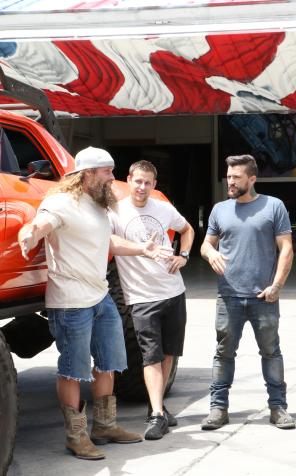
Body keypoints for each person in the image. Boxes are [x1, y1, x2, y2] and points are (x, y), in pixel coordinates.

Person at [17, 147, 164, 460]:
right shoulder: (60, 201)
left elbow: (106, 242)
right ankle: (76, 436)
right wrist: (29, 233)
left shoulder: (99, 204)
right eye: (107, 171)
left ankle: (105, 426)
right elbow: (42, 223)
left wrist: (143, 249)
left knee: (108, 363)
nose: (113, 177)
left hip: (100, 297)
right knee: (74, 371)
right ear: (87, 173)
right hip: (71, 303)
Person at [200, 154, 295, 430]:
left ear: (251, 179)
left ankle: (278, 408)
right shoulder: (220, 209)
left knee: (271, 352)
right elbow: (206, 245)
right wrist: (210, 254)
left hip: (263, 296)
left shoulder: (273, 206)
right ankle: (218, 409)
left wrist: (276, 285)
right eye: (228, 176)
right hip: (228, 296)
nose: (230, 181)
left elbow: (286, 248)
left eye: (236, 177)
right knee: (223, 354)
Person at [108, 160, 194, 440]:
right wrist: (141, 249)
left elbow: (187, 229)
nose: (142, 187)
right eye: (137, 181)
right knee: (150, 356)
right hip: (142, 297)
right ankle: (157, 414)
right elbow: (108, 242)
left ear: (154, 185)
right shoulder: (116, 211)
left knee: (169, 353)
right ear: (128, 180)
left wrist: (184, 255)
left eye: (147, 183)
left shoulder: (163, 208)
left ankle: (157, 406)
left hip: (173, 291)